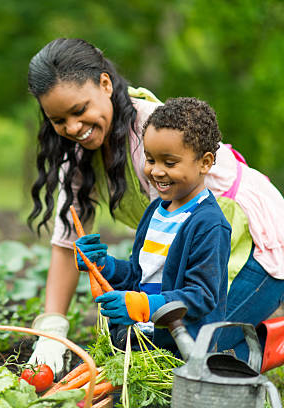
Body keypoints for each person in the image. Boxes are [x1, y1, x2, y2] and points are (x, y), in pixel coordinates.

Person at [26, 37, 284, 395]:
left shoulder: (156, 139)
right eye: (58, 120)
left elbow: (200, 285)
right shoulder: (80, 154)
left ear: (105, 84)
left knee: (196, 359)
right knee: (152, 346)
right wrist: (52, 332)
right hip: (194, 258)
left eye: (79, 109)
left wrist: (148, 306)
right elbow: (68, 245)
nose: (72, 127)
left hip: (255, 246)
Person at [75, 97, 230, 355]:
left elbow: (201, 297)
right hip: (143, 342)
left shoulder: (209, 224)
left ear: (205, 162)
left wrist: (144, 306)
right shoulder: (155, 212)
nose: (156, 171)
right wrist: (105, 266)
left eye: (169, 163)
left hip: (180, 353)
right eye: (150, 159)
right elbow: (140, 276)